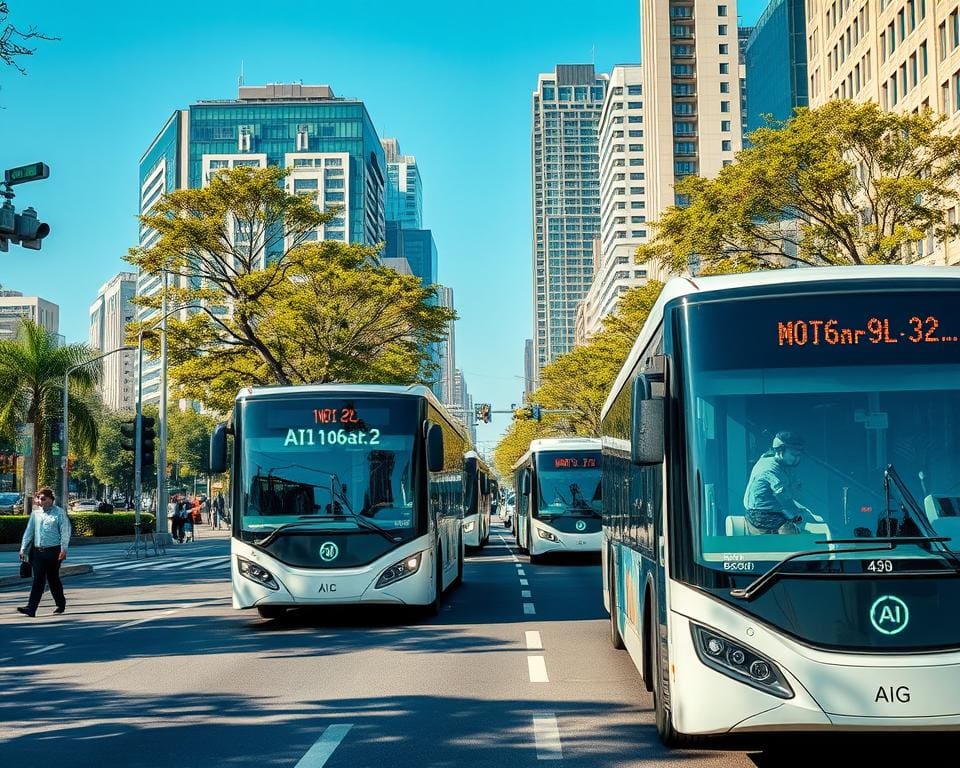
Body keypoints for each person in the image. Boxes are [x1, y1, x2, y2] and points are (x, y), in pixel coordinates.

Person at [742, 432, 818, 535]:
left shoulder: (784, 465)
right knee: (791, 532)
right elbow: (784, 500)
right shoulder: (769, 468)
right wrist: (801, 519)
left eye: (799, 455)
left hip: (777, 511)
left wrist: (810, 514)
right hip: (761, 515)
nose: (796, 459)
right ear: (780, 450)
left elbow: (796, 494)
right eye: (793, 454)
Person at [17, 487, 71, 617]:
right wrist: (23, 548)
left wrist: (63, 549)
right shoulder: (36, 513)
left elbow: (65, 532)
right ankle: (31, 608)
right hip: (37, 552)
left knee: (53, 579)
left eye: (43, 499)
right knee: (38, 579)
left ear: (51, 499)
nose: (40, 501)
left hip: (54, 551)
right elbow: (29, 532)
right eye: (38, 498)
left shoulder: (59, 513)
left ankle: (60, 603)